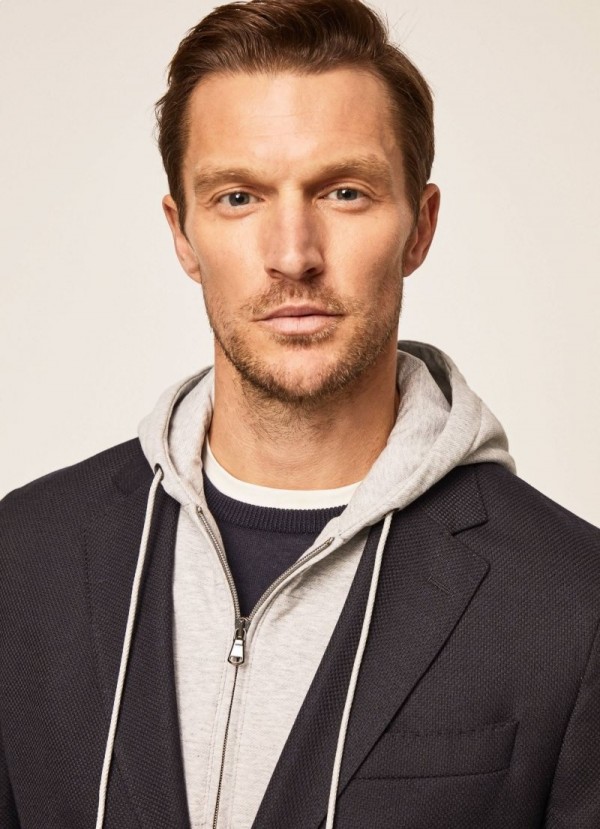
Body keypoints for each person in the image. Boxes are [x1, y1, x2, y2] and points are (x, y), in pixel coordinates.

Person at [1, 0, 599, 826]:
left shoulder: (572, 603)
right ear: (183, 233)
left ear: (419, 227)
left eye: (345, 192)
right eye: (238, 197)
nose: (293, 255)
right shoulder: (22, 561)